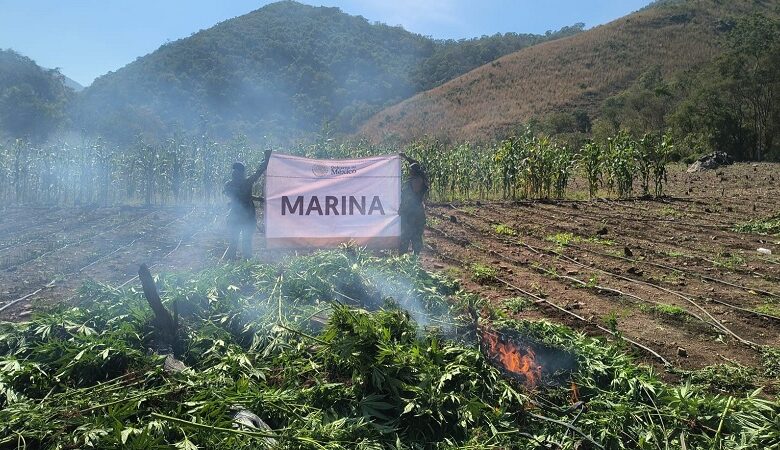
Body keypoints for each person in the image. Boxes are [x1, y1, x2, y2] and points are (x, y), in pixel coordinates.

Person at [223, 150, 272, 260]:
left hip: (240, 218)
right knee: (241, 242)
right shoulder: (242, 183)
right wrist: (267, 159)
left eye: (238, 171)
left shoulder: (231, 184)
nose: (235, 173)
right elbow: (258, 172)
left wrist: (258, 198)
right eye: (235, 171)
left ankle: (240, 263)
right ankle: (242, 263)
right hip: (243, 217)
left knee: (240, 242)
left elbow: (240, 195)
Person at [398, 152, 429, 255]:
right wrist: (406, 157)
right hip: (418, 211)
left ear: (413, 172)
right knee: (416, 234)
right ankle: (414, 255)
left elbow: (407, 198)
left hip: (410, 212)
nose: (409, 172)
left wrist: (402, 209)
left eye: (410, 171)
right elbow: (415, 163)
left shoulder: (414, 182)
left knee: (406, 234)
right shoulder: (422, 177)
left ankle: (404, 256)